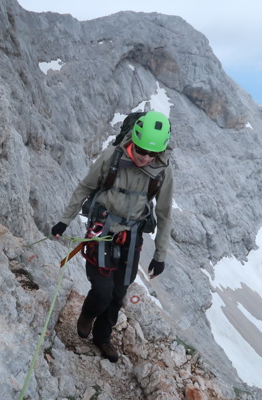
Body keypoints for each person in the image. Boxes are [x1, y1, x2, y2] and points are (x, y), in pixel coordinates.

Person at [51, 111, 174, 363]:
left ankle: (102, 336)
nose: (145, 157)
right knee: (103, 291)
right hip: (102, 230)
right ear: (134, 139)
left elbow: (164, 213)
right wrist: (65, 220)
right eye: (141, 150)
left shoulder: (162, 170)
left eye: (152, 154)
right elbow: (85, 187)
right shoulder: (112, 157)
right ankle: (88, 313)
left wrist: (160, 255)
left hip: (133, 235)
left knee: (118, 294)